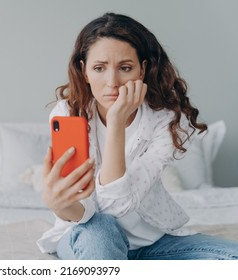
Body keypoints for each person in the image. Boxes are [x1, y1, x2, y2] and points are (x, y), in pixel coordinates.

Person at [37, 12, 238, 260]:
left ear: (141, 70)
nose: (112, 82)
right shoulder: (68, 114)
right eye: (99, 68)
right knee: (101, 235)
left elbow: (118, 205)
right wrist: (58, 205)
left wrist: (116, 122)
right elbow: (101, 212)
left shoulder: (165, 119)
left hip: (152, 243)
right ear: (85, 71)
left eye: (125, 68)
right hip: (90, 234)